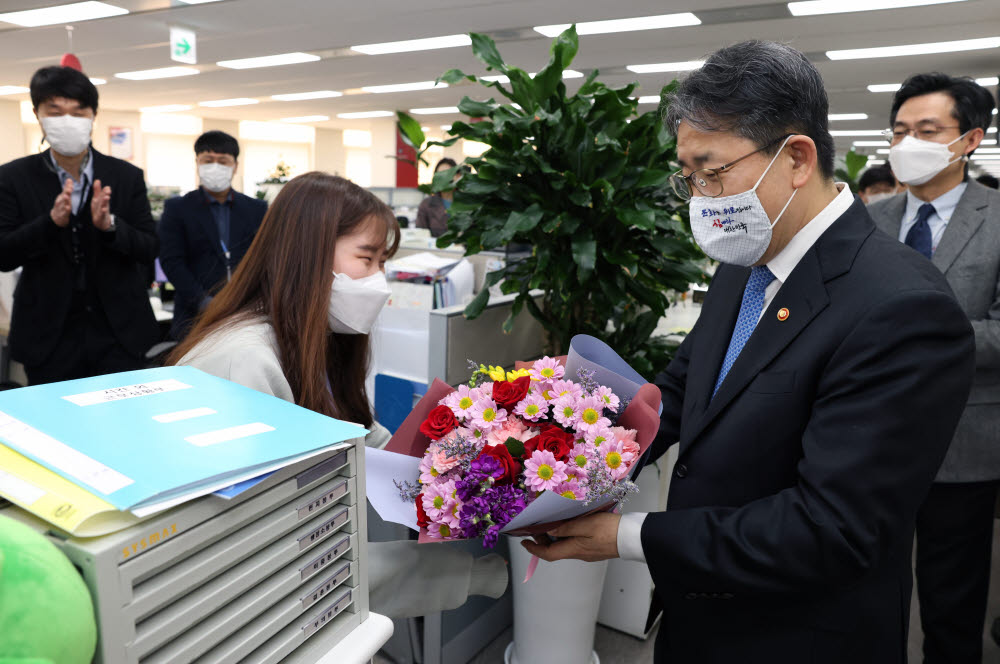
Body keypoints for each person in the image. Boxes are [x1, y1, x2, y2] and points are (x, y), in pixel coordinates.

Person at [522, 41, 975, 663]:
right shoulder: (747, 261)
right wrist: (553, 435)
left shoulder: (900, 306)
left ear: (795, 158)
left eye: (713, 171)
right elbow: (683, 392)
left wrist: (625, 535)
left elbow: (832, 528)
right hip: (701, 609)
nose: (700, 197)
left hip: (799, 633)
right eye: (690, 177)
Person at [166, 172, 507, 617]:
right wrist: (472, 570)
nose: (379, 282)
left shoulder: (313, 338)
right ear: (306, 256)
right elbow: (269, 552)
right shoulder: (242, 362)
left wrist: (466, 472)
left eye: (384, 262)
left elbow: (361, 437)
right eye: (367, 259)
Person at [867, 72, 1000, 664]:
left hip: (963, 441)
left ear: (969, 139)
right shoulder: (866, 220)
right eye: (899, 129)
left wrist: (918, 338)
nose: (908, 142)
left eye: (926, 130)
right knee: (865, 590)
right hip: (867, 442)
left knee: (953, 602)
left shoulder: (996, 216)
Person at [0, 65, 158, 385]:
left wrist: (110, 225)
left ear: (93, 116)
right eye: (55, 112)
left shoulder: (126, 176)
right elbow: (3, 256)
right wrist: (50, 223)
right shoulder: (12, 178)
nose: (67, 121)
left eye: (78, 111)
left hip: (119, 336)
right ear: (37, 114)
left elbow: (150, 247)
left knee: (123, 425)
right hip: (49, 338)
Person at [158, 131, 267, 341]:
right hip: (194, 317)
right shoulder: (178, 208)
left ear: (235, 165)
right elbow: (172, 261)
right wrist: (204, 302)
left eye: (223, 161)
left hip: (245, 314)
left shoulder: (256, 209)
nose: (215, 166)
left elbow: (263, 259)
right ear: (197, 163)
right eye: (208, 160)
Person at [415, 157, 457, 237]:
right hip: (434, 249)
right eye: (440, 174)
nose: (444, 178)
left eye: (448, 173)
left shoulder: (467, 203)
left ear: (456, 176)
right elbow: (421, 236)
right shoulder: (426, 205)